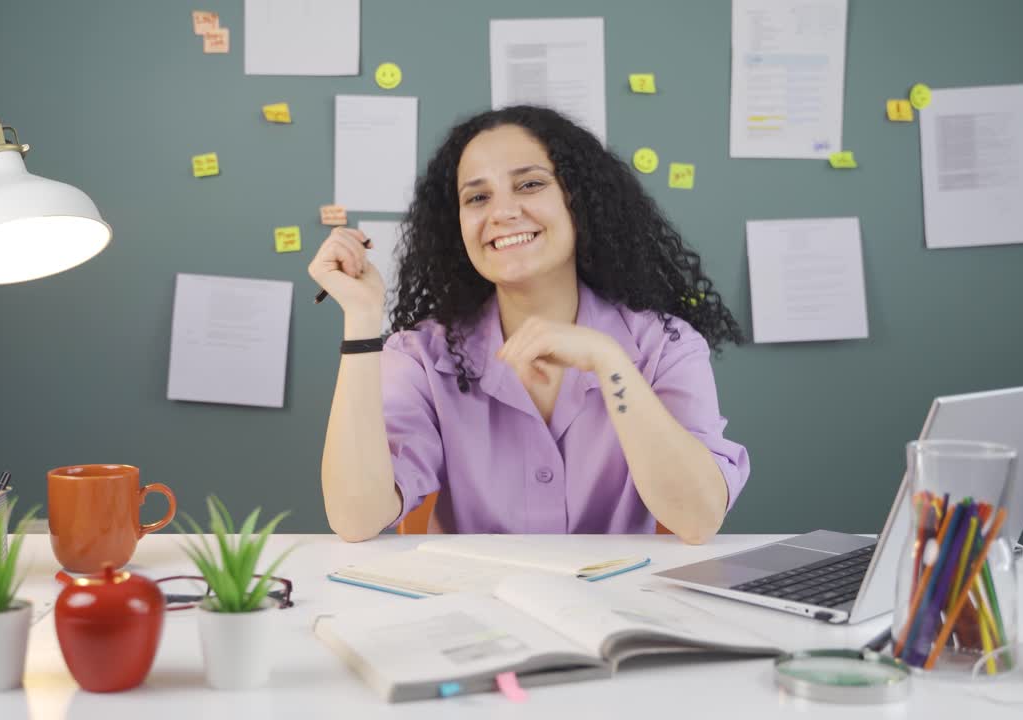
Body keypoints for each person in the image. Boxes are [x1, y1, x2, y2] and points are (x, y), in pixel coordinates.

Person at [309, 105, 749, 544]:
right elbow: (356, 517)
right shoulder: (420, 357)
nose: (502, 212)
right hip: (472, 606)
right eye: (477, 197)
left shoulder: (665, 345)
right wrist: (363, 319)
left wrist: (609, 363)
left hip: (617, 608)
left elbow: (698, 517)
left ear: (579, 200)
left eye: (530, 184)